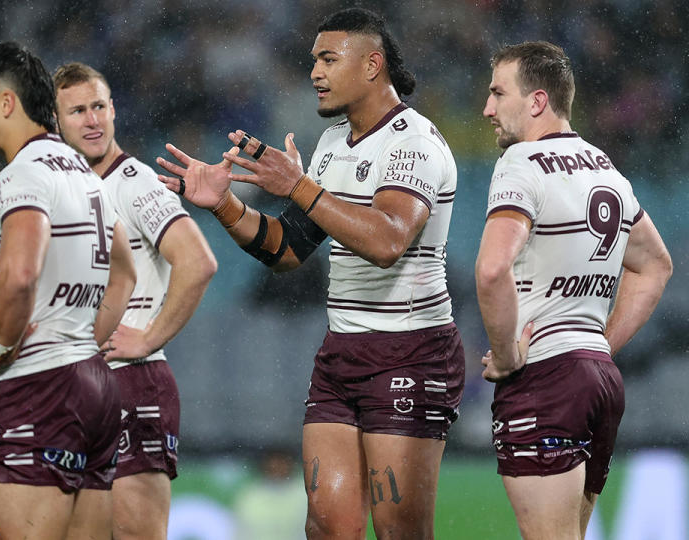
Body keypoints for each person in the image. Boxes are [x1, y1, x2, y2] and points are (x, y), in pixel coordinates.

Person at [157, 8, 464, 540]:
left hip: (411, 351)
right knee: (326, 526)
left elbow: (388, 241)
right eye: (313, 61)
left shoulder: (413, 143)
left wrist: (297, 186)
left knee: (400, 532)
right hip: (342, 353)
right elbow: (287, 250)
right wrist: (224, 205)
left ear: (372, 65)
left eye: (328, 59)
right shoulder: (333, 144)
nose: (315, 73)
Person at [476, 41, 672, 540]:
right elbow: (656, 266)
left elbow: (492, 269)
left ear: (537, 101)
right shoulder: (603, 167)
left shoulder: (521, 162)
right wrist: (601, 345)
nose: (487, 108)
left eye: (499, 93)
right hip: (599, 381)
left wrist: (504, 357)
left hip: (544, 378)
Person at [0, 42, 136, 540]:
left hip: (38, 388)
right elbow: (124, 271)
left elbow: (18, 274)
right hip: (94, 384)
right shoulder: (84, 172)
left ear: (6, 104)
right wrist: (80, 338)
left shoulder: (23, 174)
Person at [52, 62, 217, 540]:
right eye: (77, 110)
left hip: (131, 384)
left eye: (99, 106)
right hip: (76, 387)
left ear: (114, 109)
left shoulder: (134, 182)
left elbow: (198, 262)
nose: (92, 120)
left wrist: (147, 339)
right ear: (56, 121)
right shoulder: (64, 190)